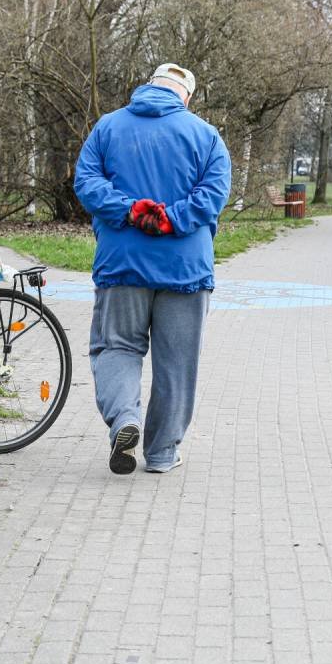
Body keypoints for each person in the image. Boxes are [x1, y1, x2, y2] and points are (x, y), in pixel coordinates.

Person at [74, 63, 232, 475]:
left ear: (148, 86)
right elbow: (212, 196)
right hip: (185, 269)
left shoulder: (107, 127)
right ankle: (161, 454)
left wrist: (130, 211)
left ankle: (125, 418)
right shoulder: (206, 135)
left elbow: (86, 182)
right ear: (188, 97)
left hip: (122, 264)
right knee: (176, 363)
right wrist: (170, 218)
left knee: (118, 347)